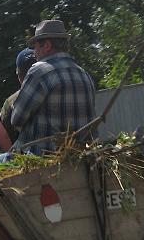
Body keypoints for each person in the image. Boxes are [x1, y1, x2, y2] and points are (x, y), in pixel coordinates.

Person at [10, 19, 97, 155]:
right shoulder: (83, 73)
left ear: (47, 45)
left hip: (42, 156)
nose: (34, 53)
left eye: (36, 46)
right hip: (79, 155)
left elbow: (16, 118)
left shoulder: (39, 71)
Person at [0, 48, 37, 144]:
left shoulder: (11, 101)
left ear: (19, 76)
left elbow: (5, 132)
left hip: (26, 154)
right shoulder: (58, 89)